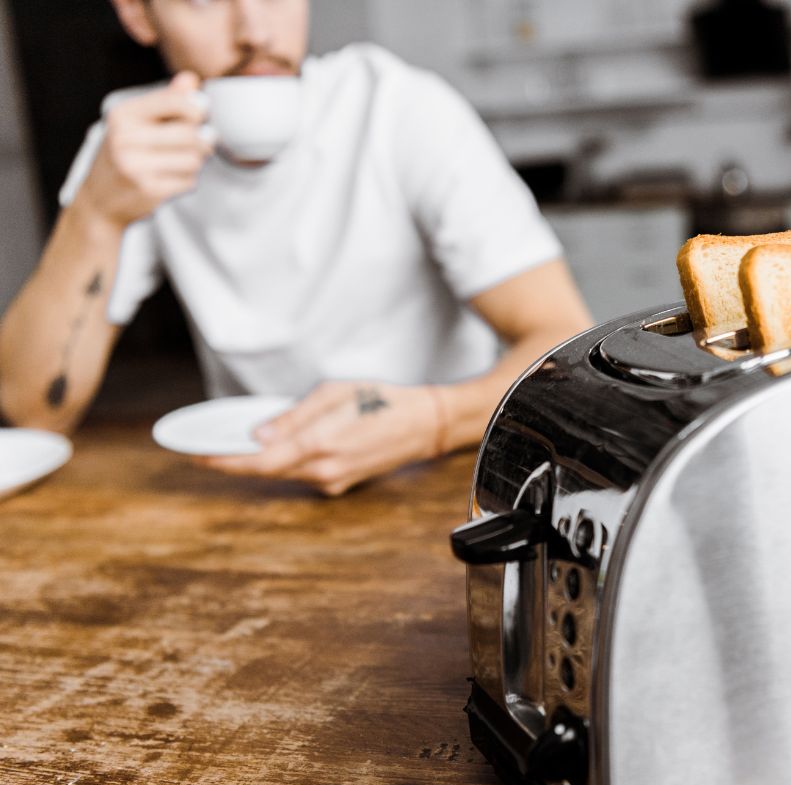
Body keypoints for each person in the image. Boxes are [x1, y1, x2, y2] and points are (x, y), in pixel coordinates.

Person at [0, 0, 593, 496]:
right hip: (262, 494)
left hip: (442, 483)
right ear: (138, 12)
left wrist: (435, 423)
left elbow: (563, 340)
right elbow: (32, 411)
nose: (255, 30)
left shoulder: (401, 109)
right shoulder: (130, 146)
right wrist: (96, 216)